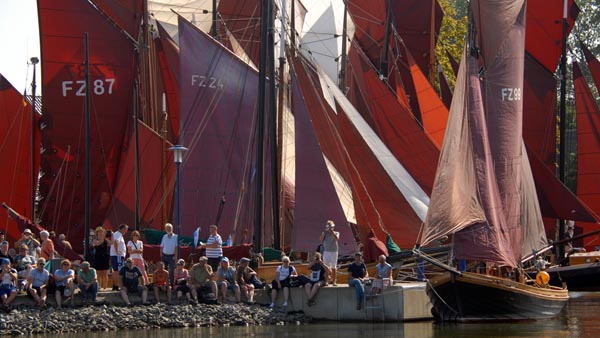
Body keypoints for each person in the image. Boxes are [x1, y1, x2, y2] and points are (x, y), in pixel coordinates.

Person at [319, 220, 339, 286]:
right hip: (326, 251)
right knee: (326, 267)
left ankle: (334, 281)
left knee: (334, 267)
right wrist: (323, 233)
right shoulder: (324, 233)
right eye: (329, 227)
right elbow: (321, 240)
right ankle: (326, 281)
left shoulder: (336, 233)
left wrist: (332, 232)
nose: (330, 228)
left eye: (331, 227)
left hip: (334, 251)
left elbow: (337, 239)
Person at [111, 224, 128, 291]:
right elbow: (116, 242)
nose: (126, 231)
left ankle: (115, 285)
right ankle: (117, 285)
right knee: (118, 271)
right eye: (125, 229)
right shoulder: (118, 234)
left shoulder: (117, 234)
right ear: (122, 229)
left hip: (117, 255)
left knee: (116, 271)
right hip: (117, 255)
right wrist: (117, 251)